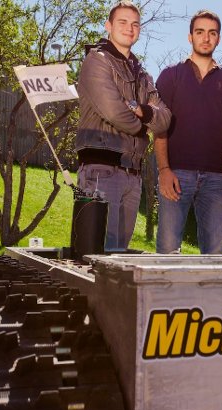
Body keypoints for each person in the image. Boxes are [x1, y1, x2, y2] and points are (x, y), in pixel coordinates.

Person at [76, 1, 171, 252]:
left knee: (117, 258)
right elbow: (115, 112)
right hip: (101, 170)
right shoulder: (96, 61)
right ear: (108, 25)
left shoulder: (143, 75)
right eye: (122, 22)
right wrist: (144, 128)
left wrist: (143, 110)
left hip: (133, 174)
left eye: (135, 24)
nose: (129, 28)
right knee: (95, 256)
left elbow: (165, 118)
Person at [154, 10, 222, 254]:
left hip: (216, 179)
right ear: (190, 37)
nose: (206, 38)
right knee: (168, 250)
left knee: (214, 253)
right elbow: (159, 127)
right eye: (200, 32)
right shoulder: (170, 75)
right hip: (176, 174)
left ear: (218, 39)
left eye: (212, 33)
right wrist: (163, 170)